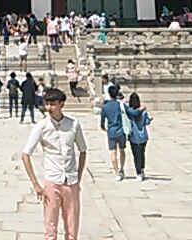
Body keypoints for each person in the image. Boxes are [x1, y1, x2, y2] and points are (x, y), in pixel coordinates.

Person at [21, 87, 87, 240]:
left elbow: (83, 151)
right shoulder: (41, 127)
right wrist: (35, 184)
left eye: (52, 104)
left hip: (71, 181)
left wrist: (78, 177)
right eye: (47, 104)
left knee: (72, 226)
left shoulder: (73, 124)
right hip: (52, 181)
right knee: (50, 227)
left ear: (61, 104)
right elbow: (25, 155)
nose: (49, 108)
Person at [99, 85, 127, 180]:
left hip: (111, 131)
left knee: (113, 152)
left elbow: (102, 121)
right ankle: (122, 169)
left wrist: (103, 128)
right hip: (121, 130)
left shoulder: (105, 107)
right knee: (122, 150)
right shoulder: (121, 105)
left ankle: (116, 172)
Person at [125, 92, 152, 180]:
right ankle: (142, 169)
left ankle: (138, 172)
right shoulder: (143, 111)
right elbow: (147, 122)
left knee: (136, 155)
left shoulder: (129, 112)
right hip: (143, 135)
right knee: (142, 153)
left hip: (133, 136)